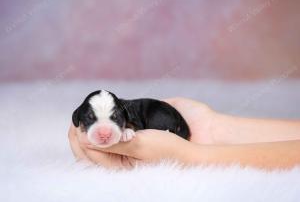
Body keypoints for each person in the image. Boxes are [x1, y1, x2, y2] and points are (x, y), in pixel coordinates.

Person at [68, 97, 300, 170]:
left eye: (114, 119)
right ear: (78, 117)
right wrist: (211, 126)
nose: (105, 131)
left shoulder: (133, 114)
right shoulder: (124, 108)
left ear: (123, 115)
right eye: (90, 120)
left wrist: (190, 156)